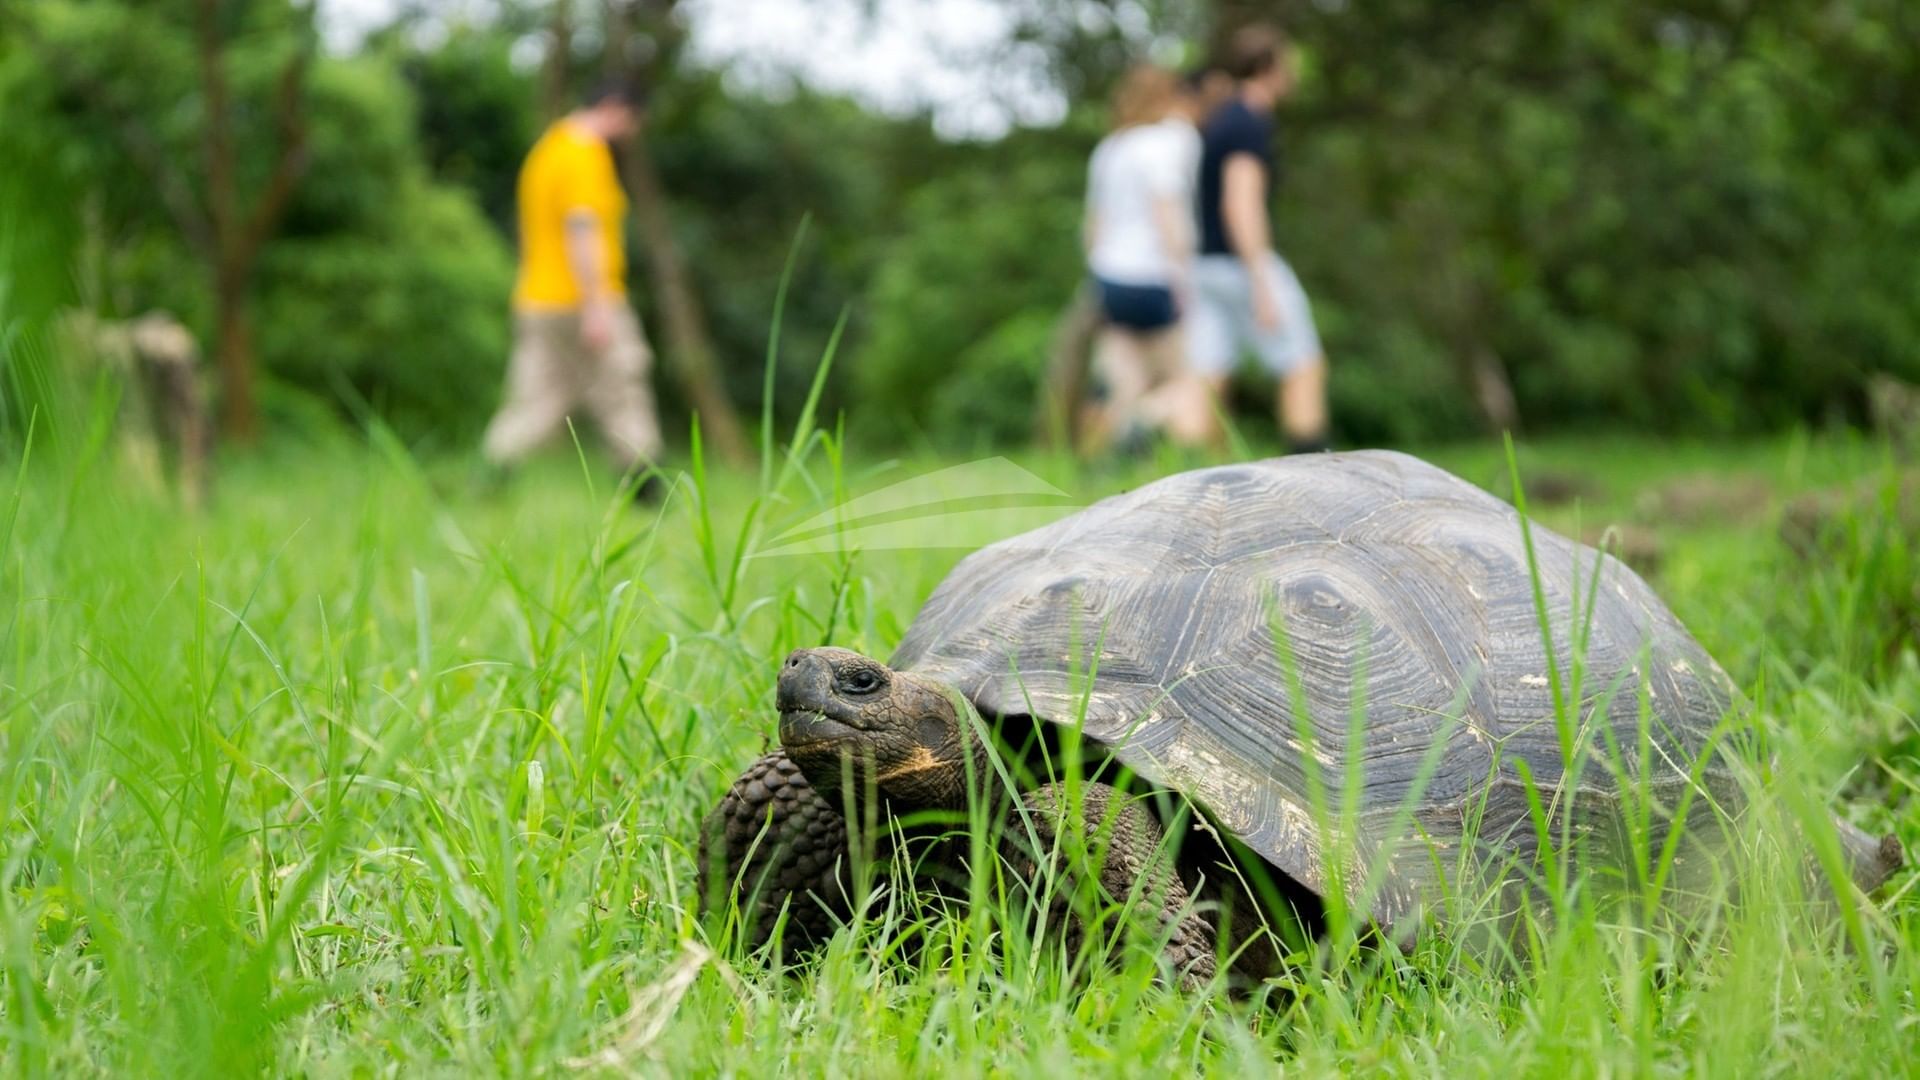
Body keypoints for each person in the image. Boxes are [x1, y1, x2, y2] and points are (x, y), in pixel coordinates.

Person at [481, 79, 664, 490]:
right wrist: (597, 306)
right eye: (633, 123)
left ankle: (488, 478)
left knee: (537, 398)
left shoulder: (548, 149)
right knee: (623, 387)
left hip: (537, 298)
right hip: (585, 298)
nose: (631, 135)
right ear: (616, 109)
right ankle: (648, 490)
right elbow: (582, 227)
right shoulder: (586, 152)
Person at [1189, 25, 1330, 454]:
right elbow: (1240, 203)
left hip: (1207, 265)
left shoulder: (1221, 118)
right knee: (1303, 366)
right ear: (1270, 67)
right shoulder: (1248, 120)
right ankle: (1312, 469)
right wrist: (1261, 280)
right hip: (1240, 263)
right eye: (1288, 64)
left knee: (1210, 375)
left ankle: (1202, 478)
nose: (1293, 74)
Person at [1080, 64, 1213, 452]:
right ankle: (1145, 422)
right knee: (1184, 380)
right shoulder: (1164, 145)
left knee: (1125, 380)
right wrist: (1184, 277)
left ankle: (1103, 464)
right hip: (1154, 277)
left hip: (1110, 277)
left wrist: (1096, 273)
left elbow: (1093, 225)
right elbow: (1168, 218)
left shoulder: (1110, 148)